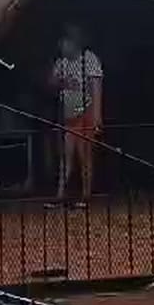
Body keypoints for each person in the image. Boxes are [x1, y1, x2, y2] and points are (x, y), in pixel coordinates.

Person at [50, 26, 103, 204]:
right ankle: (61, 194)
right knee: (66, 155)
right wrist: (61, 82)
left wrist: (96, 115)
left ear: (75, 42)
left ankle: (86, 194)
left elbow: (96, 88)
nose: (62, 45)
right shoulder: (61, 63)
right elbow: (50, 82)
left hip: (84, 112)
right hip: (67, 115)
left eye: (66, 42)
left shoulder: (88, 59)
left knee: (84, 154)